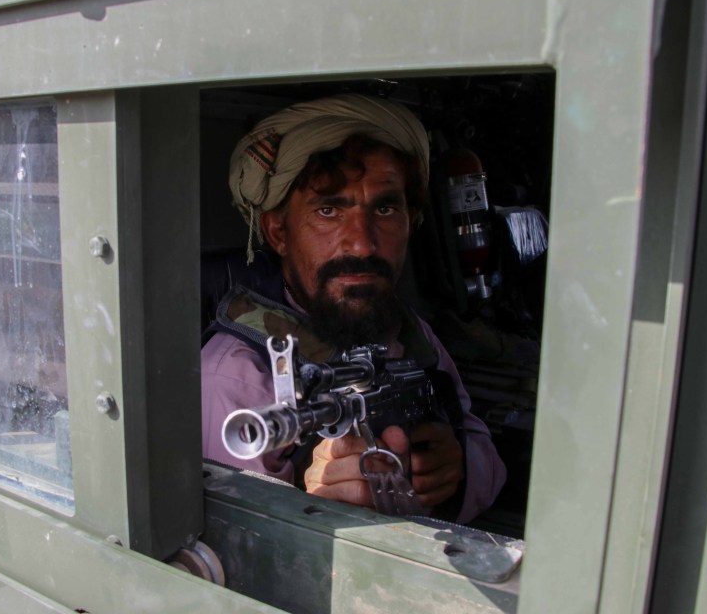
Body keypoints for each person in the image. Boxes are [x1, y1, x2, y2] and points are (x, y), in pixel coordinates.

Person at [201, 94, 505, 522]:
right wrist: (317, 513)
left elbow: (481, 449)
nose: (363, 243)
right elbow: (244, 547)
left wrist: (454, 471)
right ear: (278, 233)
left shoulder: (406, 329)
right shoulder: (241, 375)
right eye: (329, 211)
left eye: (384, 208)